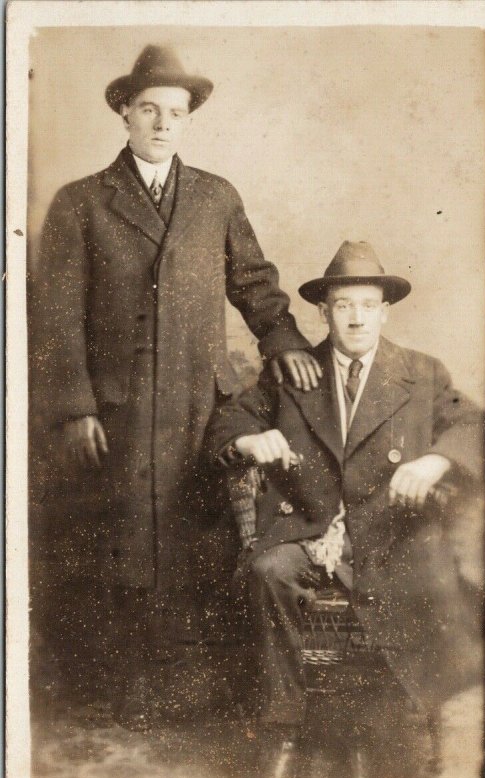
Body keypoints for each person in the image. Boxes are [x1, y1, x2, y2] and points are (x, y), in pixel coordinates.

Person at [32, 44, 321, 721]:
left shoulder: (216, 196)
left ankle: (199, 683)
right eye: (150, 110)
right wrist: (75, 409)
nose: (164, 124)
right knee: (130, 539)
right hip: (121, 407)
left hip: (201, 399)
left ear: (188, 121)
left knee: (205, 533)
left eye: (176, 114)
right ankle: (131, 681)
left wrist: (282, 340)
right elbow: (56, 320)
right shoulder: (81, 204)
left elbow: (254, 284)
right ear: (124, 113)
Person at [205, 240, 485, 778]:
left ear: (384, 311)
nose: (355, 317)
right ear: (323, 312)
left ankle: (405, 719)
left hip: (388, 534)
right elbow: (226, 423)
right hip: (308, 531)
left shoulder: (421, 374)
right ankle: (285, 721)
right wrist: (249, 442)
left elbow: (475, 426)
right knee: (267, 571)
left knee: (423, 581)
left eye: (365, 305)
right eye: (342, 305)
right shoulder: (291, 373)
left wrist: (435, 460)